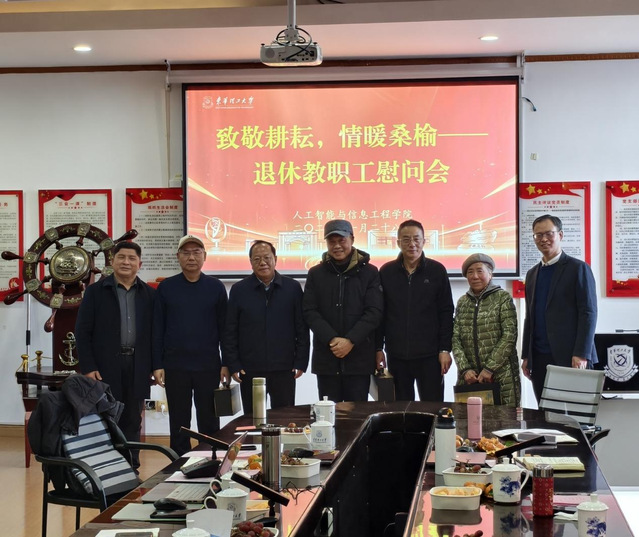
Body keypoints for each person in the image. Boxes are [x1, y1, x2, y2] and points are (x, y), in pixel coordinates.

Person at [75, 241, 155, 469]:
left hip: (138, 365)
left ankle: (131, 468)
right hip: (105, 367)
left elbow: (155, 333)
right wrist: (88, 366)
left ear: (139, 263)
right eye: (121, 257)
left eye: (132, 258)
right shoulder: (95, 292)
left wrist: (155, 366)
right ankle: (106, 469)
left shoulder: (149, 294)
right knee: (105, 418)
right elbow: (82, 331)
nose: (126, 262)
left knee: (133, 419)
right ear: (112, 261)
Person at [152, 235, 228, 455]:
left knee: (210, 420)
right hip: (175, 366)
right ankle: (178, 463)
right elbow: (157, 328)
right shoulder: (167, 287)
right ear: (178, 257)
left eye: (196, 252)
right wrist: (157, 364)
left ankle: (212, 461)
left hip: (209, 365)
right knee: (179, 421)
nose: (191, 257)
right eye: (186, 253)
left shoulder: (215, 287)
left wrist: (226, 363)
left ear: (205, 256)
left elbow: (225, 329)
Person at [223, 240, 310, 413]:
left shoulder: (292, 288)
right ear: (250, 262)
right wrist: (233, 363)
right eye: (257, 259)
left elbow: (302, 327)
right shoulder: (239, 290)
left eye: (267, 258)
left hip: (284, 367)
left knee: (284, 417)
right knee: (253, 419)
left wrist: (301, 360)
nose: (262, 263)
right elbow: (230, 330)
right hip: (250, 368)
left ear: (275, 259)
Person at [303, 219, 383, 402]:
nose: (337, 246)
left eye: (342, 240)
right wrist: (332, 339)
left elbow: (374, 312)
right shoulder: (316, 273)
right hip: (327, 359)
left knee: (357, 414)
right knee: (327, 414)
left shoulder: (370, 273)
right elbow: (309, 311)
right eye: (332, 241)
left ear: (352, 239)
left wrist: (350, 340)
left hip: (359, 358)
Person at [522, 214, 598, 402]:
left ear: (560, 235)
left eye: (549, 233)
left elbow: (588, 313)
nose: (543, 239)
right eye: (538, 235)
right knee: (545, 413)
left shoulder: (578, 268)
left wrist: (581, 353)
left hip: (570, 357)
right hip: (539, 358)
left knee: (573, 413)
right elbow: (529, 317)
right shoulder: (532, 274)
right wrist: (526, 356)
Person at [376, 219, 454, 401]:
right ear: (398, 243)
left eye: (416, 239)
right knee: (401, 408)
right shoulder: (386, 272)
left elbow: (446, 311)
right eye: (406, 239)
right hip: (396, 354)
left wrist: (445, 349)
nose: (412, 244)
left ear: (424, 241)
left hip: (430, 355)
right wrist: (378, 347)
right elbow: (380, 313)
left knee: (432, 407)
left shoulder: (437, 271)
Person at [452, 253, 521, 407]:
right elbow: (455, 338)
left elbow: (509, 336)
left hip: (501, 375)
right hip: (469, 378)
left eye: (480, 271)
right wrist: (465, 369)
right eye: (470, 272)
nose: (475, 276)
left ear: (490, 274)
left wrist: (490, 368)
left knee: (504, 419)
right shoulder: (462, 302)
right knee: (469, 418)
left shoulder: (502, 298)